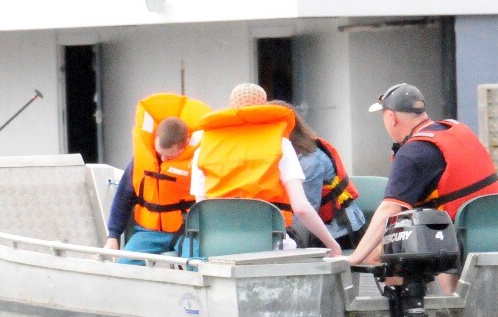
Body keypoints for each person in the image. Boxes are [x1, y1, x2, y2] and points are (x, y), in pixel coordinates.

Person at [347, 83, 498, 291]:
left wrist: (355, 257)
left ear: (392, 117)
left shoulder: (413, 152)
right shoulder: (457, 130)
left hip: (457, 240)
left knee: (376, 254)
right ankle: (449, 301)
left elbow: (390, 209)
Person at [190, 83, 342, 256]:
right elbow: (301, 207)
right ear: (264, 106)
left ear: (231, 108)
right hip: (271, 248)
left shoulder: (203, 149)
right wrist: (332, 245)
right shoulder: (281, 144)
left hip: (219, 250)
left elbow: (202, 209)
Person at [104, 93, 211, 262]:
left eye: (168, 157)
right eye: (160, 154)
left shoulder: (201, 159)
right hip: (149, 232)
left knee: (197, 265)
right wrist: (113, 236)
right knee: (125, 264)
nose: (162, 160)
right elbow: (123, 196)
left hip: (189, 231)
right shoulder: (142, 160)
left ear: (184, 145)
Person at [271, 100, 366, 249]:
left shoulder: (311, 160)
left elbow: (304, 212)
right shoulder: (280, 155)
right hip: (310, 228)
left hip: (338, 234)